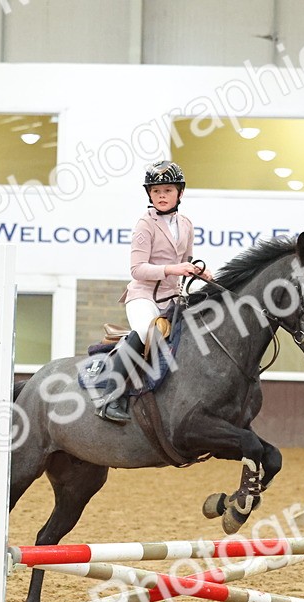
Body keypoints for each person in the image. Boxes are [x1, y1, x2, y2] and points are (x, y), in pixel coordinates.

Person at [95, 160, 203, 423]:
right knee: (145, 331)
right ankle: (109, 395)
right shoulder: (145, 224)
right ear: (150, 195)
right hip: (142, 296)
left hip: (172, 298)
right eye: (156, 191)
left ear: (180, 192)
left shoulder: (186, 224)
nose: (162, 196)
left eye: (167, 190)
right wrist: (172, 269)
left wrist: (199, 272)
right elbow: (137, 269)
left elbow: (186, 261)